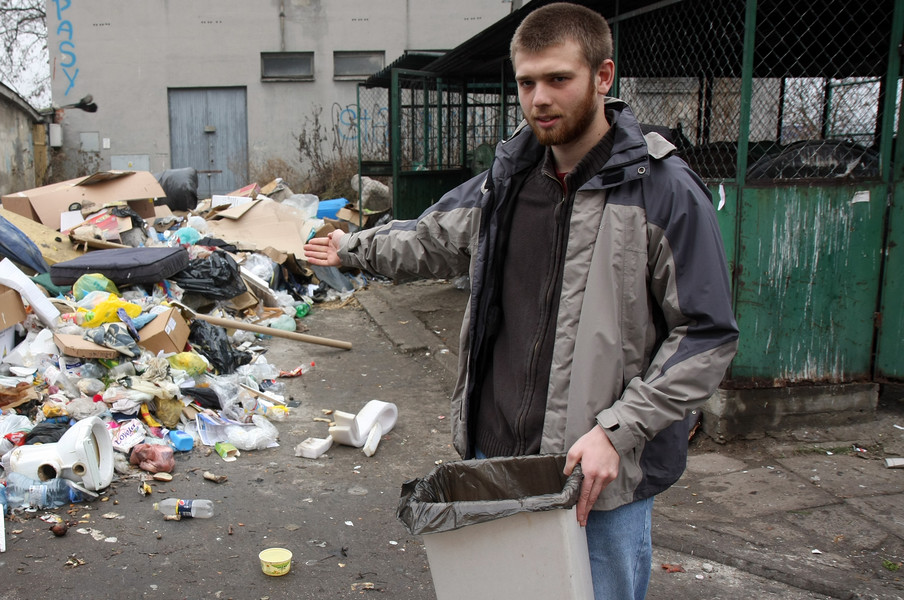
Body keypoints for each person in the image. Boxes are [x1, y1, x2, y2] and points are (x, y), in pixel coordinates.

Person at [303, 3, 739, 599]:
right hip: (496, 453)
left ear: (603, 77)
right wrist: (354, 248)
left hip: (594, 473)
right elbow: (434, 236)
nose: (539, 98)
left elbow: (707, 333)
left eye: (558, 79)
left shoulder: (663, 192)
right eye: (527, 82)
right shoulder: (508, 177)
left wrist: (617, 431)